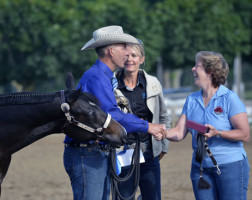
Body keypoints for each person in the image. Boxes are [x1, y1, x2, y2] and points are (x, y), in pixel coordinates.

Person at [63, 25, 165, 200]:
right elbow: (112, 116)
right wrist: (147, 126)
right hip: (87, 153)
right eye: (123, 47)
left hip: (94, 152)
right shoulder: (97, 77)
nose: (127, 53)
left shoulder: (103, 76)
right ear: (111, 51)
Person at [165, 51, 250, 200]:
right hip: (201, 169)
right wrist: (158, 131)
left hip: (231, 167)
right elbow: (178, 132)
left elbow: (245, 134)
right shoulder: (191, 100)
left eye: (197, 66)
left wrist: (218, 133)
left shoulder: (230, 98)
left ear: (210, 71)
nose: (192, 69)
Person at [114, 41, 170, 200]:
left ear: (142, 58)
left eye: (134, 55)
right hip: (122, 152)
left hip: (149, 151)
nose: (129, 59)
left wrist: (163, 147)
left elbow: (164, 116)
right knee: (123, 197)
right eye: (126, 55)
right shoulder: (112, 85)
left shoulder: (153, 83)